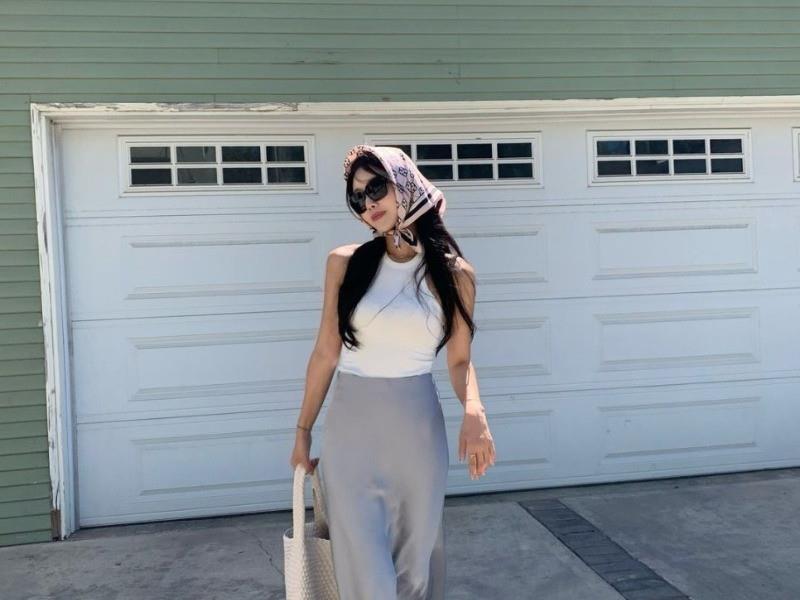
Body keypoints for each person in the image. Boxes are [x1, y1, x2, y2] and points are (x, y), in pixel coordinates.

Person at [289, 144, 496, 599]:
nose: (368, 203)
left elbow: (459, 360)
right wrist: (303, 429)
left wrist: (474, 410)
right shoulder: (344, 264)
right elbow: (325, 353)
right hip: (351, 437)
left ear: (405, 183)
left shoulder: (456, 275)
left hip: (417, 436)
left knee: (413, 572)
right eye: (357, 197)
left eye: (376, 188)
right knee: (369, 577)